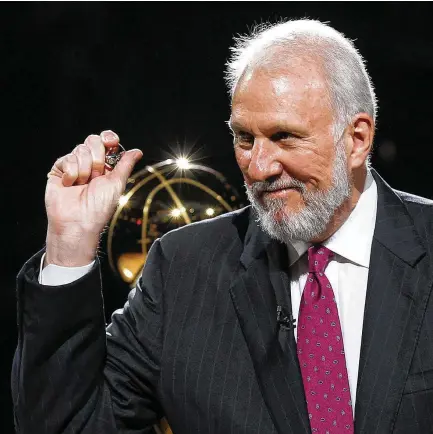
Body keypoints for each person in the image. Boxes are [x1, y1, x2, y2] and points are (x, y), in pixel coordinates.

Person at [12, 19, 433, 434]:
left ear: (357, 139)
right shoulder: (182, 269)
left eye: (285, 136)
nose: (259, 167)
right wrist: (69, 244)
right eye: (244, 138)